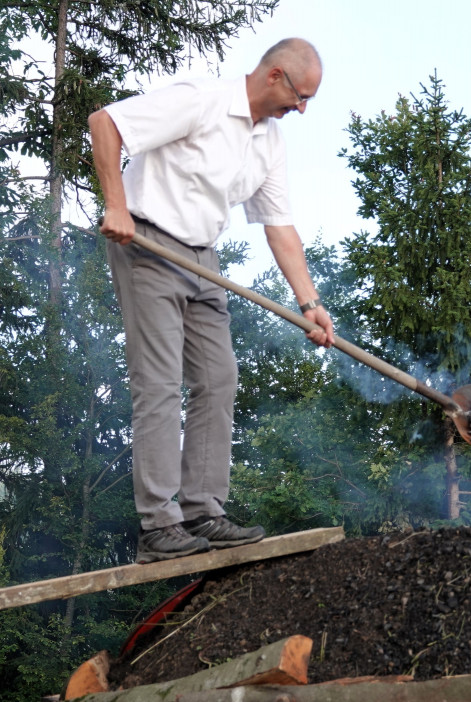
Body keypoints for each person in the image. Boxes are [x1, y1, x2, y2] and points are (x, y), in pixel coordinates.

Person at [88, 37, 336, 563]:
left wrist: (309, 301)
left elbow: (279, 225)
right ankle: (158, 527)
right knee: (158, 385)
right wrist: (117, 205)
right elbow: (105, 122)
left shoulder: (269, 141)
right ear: (275, 76)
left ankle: (204, 510)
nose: (302, 108)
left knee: (219, 378)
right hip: (148, 243)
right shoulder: (200, 99)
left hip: (204, 259)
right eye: (301, 95)